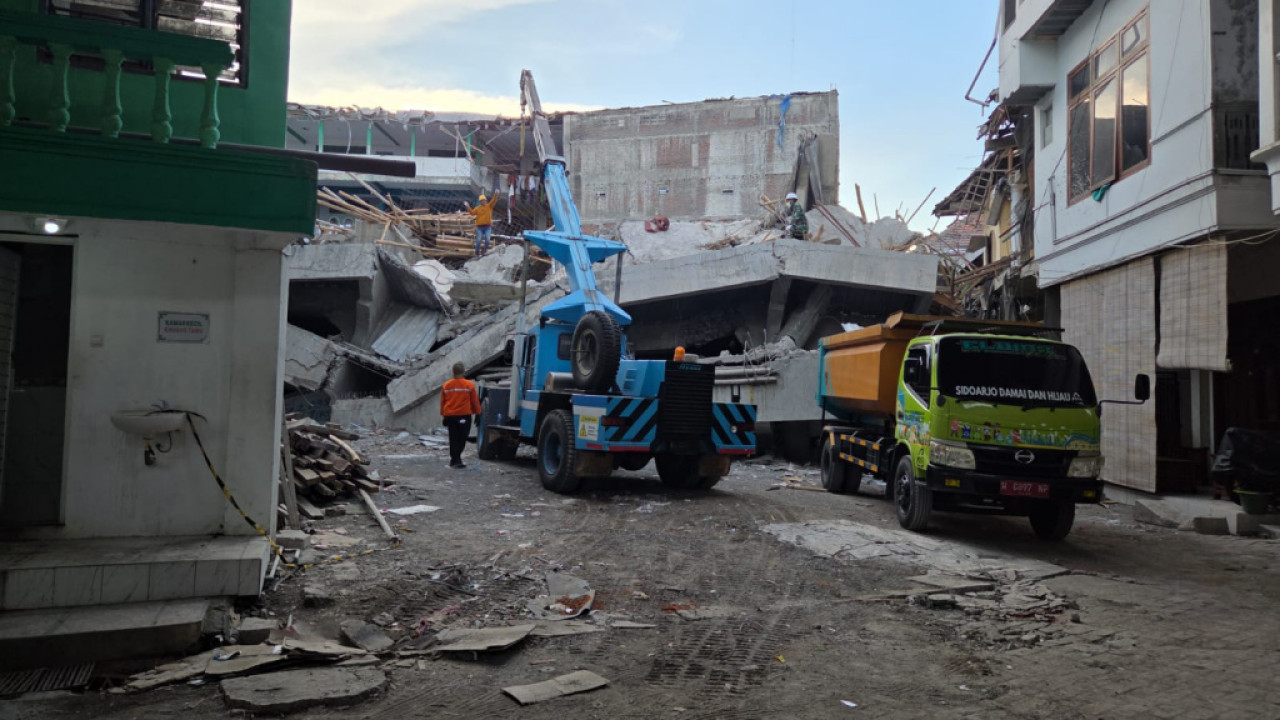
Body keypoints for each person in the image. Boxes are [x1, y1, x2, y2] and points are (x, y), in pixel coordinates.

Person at [440, 362, 481, 469]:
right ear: (463, 372)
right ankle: (456, 459)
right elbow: (474, 401)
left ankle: (455, 460)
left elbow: (443, 402)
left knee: (453, 438)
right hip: (464, 415)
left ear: (453, 372)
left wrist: (443, 415)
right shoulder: (469, 385)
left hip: (450, 415)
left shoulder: (446, 385)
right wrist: (478, 412)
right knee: (462, 438)